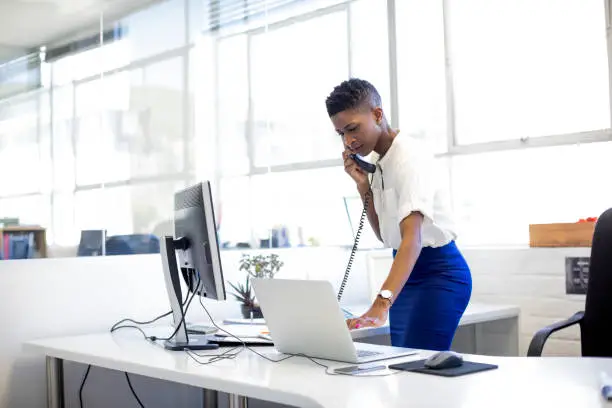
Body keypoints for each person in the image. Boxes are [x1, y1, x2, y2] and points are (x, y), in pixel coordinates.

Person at [325, 78, 472, 351]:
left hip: (438, 274)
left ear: (377, 114)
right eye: (341, 134)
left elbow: (412, 240)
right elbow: (385, 235)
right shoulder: (380, 161)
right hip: (406, 276)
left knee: (417, 369)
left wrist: (381, 304)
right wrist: (362, 186)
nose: (349, 141)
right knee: (405, 369)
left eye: (353, 129)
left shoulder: (409, 159)